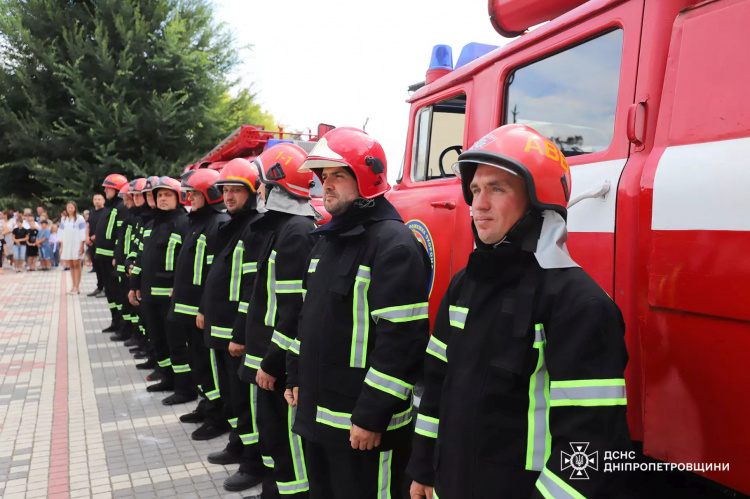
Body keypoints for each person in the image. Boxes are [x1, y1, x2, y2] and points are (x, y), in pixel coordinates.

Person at [406, 125, 631, 499]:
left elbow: (591, 445)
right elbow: (435, 388)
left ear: (538, 200)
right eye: (476, 190)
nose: (478, 203)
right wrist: (424, 469)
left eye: (497, 188)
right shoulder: (464, 286)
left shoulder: (579, 305)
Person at [286, 128, 431, 499]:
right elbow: (307, 318)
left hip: (363, 430)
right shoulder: (326, 241)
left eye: (338, 175)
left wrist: (372, 415)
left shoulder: (393, 245)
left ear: (366, 178)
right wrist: (294, 373)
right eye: (323, 177)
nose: (326, 185)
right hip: (318, 419)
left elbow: (403, 343)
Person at [235, 144, 317, 498]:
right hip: (266, 355)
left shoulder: (296, 231)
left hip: (278, 360)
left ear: (277, 185)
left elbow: (293, 309)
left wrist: (271, 362)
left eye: (262, 183)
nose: (259, 191)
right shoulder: (281, 228)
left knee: (287, 445)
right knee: (271, 437)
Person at [196, 158, 266, 493]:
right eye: (225, 189)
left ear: (252, 193)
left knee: (245, 400)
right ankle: (238, 444)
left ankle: (253, 462)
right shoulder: (229, 226)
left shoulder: (254, 229)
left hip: (236, 334)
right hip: (219, 329)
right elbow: (215, 276)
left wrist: (240, 333)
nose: (229, 195)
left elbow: (250, 287)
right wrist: (203, 310)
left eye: (237, 189)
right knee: (232, 397)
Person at [166, 169, 229, 409]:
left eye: (194, 194)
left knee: (208, 364)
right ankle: (206, 406)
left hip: (201, 312)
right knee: (198, 361)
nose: (189, 199)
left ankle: (216, 414)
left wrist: (204, 308)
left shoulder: (218, 224)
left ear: (210, 195)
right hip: (189, 309)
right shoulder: (198, 222)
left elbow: (214, 276)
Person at [128, 177, 189, 392]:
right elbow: (143, 257)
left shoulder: (183, 223)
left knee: (177, 344)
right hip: (149, 295)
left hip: (170, 298)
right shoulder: (152, 224)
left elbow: (186, 262)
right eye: (159, 195)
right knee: (158, 341)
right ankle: (167, 378)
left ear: (178, 197)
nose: (162, 199)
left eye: (167, 195)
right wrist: (134, 284)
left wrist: (180, 289)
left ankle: (184, 388)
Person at [96, 174, 129, 331]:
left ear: (117, 189)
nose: (105, 190)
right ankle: (115, 321)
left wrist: (117, 256)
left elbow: (120, 234)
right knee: (109, 291)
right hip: (103, 256)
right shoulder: (110, 207)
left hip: (112, 258)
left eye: (108, 187)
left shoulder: (122, 207)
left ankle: (122, 323)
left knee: (117, 292)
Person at [59, 201, 87, 293]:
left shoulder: (80, 218)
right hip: (67, 245)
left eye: (72, 207)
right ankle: (73, 285)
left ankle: (77, 286)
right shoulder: (64, 219)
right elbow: (61, 234)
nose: (70, 209)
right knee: (71, 265)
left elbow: (83, 232)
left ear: (75, 208)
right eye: (68, 207)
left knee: (77, 264)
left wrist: (82, 245)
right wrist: (62, 247)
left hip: (77, 244)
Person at [87, 193, 107, 295]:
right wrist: (87, 238)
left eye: (99, 199)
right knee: (96, 267)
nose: (97, 201)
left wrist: (93, 238)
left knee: (103, 267)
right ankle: (99, 287)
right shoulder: (92, 212)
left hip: (101, 243)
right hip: (91, 244)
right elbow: (88, 225)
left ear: (104, 200)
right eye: (95, 199)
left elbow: (103, 228)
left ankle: (105, 289)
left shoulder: (106, 212)